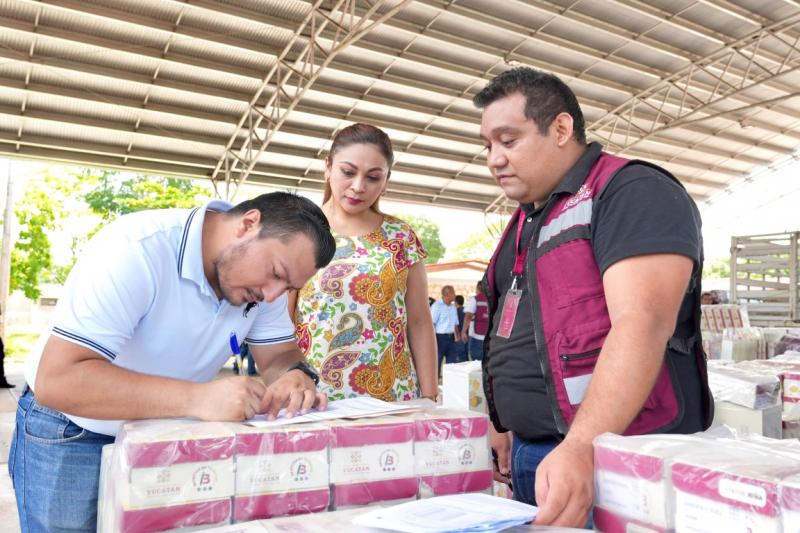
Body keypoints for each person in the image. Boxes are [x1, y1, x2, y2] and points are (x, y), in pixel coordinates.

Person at [9, 192, 336, 532]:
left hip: (163, 435)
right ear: (248, 224)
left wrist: (295, 375)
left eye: (287, 287)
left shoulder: (262, 286)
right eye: (276, 273)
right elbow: (58, 379)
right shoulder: (135, 249)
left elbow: (280, 354)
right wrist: (199, 398)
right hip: (76, 432)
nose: (272, 295)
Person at [473, 67, 713, 527]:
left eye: (508, 140)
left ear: (561, 129)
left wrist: (582, 446)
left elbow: (641, 323)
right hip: (535, 453)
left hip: (613, 456)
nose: (494, 160)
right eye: (487, 146)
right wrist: (501, 423)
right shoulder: (529, 219)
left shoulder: (632, 192)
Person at [291, 123, 438, 402]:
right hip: (315, 399)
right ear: (328, 167)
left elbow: (419, 322)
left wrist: (429, 399)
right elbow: (280, 323)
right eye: (348, 172)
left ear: (386, 180)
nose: (359, 187)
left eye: (373, 177)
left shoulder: (401, 237)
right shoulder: (300, 232)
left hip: (395, 399)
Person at [431, 285, 460, 374]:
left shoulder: (453, 307)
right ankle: (435, 384)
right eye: (453, 293)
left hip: (451, 338)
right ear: (447, 294)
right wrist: (433, 340)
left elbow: (455, 324)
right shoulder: (437, 306)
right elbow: (432, 324)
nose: (455, 295)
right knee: (437, 361)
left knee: (451, 364)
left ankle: (449, 383)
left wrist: (457, 336)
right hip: (440, 338)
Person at [461, 281, 489, 361]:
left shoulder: (475, 299)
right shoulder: (492, 299)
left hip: (476, 337)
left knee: (476, 362)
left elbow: (468, 316)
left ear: (478, 288)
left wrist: (463, 331)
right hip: (489, 336)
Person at [454, 294, 467, 363]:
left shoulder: (455, 311)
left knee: (460, 356)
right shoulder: (466, 310)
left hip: (459, 335)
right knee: (465, 355)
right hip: (466, 334)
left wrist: (457, 335)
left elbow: (455, 325)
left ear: (456, 302)